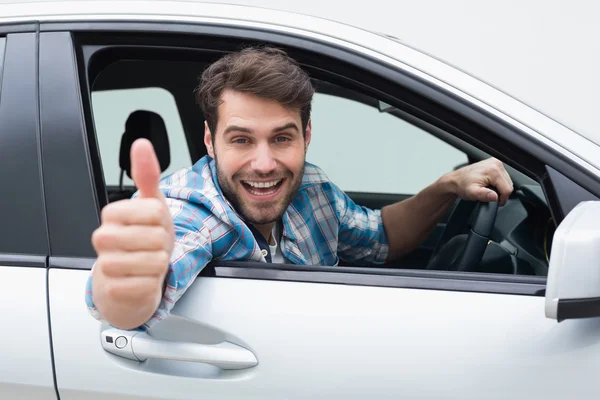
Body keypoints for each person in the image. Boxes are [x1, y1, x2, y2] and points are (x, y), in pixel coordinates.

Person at [86, 46, 513, 330]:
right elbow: (122, 305)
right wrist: (128, 287)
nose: (265, 163)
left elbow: (381, 237)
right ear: (208, 142)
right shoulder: (192, 213)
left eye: (282, 137)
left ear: (306, 134)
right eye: (241, 140)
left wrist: (446, 186)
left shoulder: (312, 189)